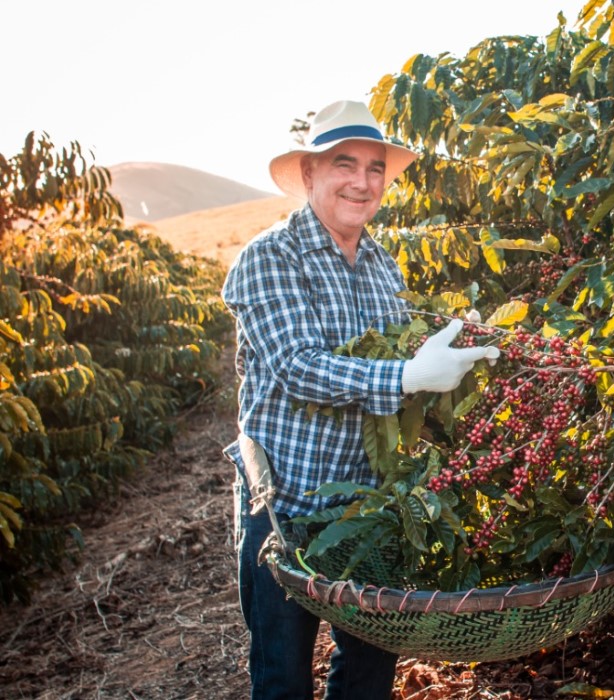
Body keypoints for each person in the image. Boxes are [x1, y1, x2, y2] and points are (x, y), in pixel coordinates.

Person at [222, 100, 496, 699]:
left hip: (369, 511)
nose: (362, 181)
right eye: (344, 164)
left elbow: (398, 358)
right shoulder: (269, 257)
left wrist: (451, 348)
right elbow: (298, 367)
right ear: (309, 174)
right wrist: (408, 376)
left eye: (375, 168)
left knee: (369, 678)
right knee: (281, 678)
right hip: (284, 510)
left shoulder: (380, 266)